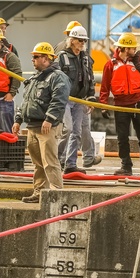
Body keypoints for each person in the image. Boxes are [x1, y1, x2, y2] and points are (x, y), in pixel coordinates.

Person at [13, 42, 70, 203]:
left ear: (46, 59)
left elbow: (59, 100)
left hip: (47, 127)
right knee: (38, 164)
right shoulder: (34, 79)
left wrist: (49, 119)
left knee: (50, 162)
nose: (33, 60)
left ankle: (56, 194)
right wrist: (18, 120)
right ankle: (39, 192)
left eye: (36, 57)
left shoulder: (58, 77)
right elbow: (26, 101)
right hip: (33, 126)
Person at [99, 32, 140, 175]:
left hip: (138, 102)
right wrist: (103, 105)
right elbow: (105, 86)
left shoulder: (138, 60)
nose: (135, 50)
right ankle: (126, 166)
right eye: (133, 48)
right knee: (122, 137)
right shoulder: (111, 64)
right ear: (125, 49)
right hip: (120, 104)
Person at [56, 25, 95, 173]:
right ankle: (57, 159)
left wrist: (91, 98)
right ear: (72, 41)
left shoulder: (85, 58)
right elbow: (55, 78)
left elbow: (90, 78)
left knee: (77, 132)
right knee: (67, 129)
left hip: (79, 99)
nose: (82, 43)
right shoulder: (62, 57)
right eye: (80, 40)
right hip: (65, 99)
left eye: (84, 41)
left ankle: (70, 164)